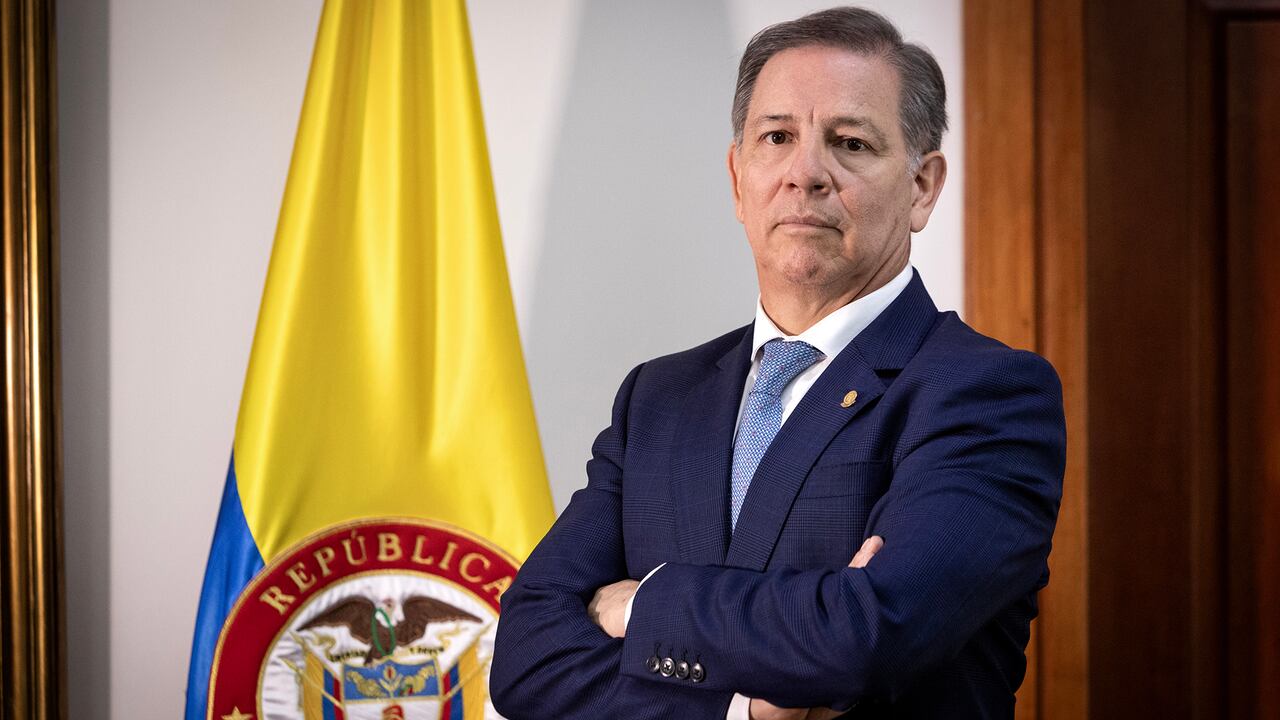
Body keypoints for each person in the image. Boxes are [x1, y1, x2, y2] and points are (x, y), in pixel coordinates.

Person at [490, 6, 1065, 719]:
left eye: (850, 142)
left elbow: (867, 634)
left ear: (922, 186)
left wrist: (643, 604)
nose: (806, 173)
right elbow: (525, 657)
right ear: (738, 179)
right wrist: (741, 709)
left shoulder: (987, 393)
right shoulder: (658, 398)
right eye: (777, 137)